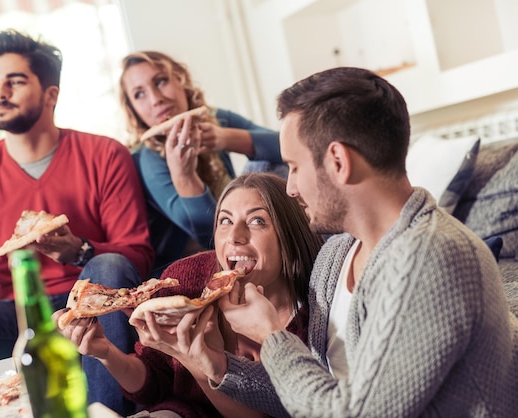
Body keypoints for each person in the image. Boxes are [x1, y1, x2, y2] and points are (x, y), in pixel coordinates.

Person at [192, 67, 518, 417]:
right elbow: (318, 396)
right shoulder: (335, 254)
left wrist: (272, 337)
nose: (291, 188)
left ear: (338, 161)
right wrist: (218, 366)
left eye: (294, 167)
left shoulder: (432, 259)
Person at [0, 29, 154, 416]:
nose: (0, 92)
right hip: (15, 311)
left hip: (86, 301)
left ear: (51, 95)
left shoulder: (104, 154)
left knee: (108, 265)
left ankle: (102, 411)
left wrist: (80, 250)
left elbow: (136, 257)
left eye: (15, 80)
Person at [55, 172, 324, 418]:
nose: (235, 236)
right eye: (225, 221)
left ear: (289, 234)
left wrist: (191, 358)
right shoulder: (187, 278)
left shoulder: (315, 318)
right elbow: (153, 386)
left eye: (257, 221)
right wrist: (106, 353)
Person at [119, 51, 287, 277]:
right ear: (133, 110)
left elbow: (289, 145)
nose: (155, 98)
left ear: (180, 79)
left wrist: (226, 138)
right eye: (139, 94)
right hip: (185, 264)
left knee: (274, 165)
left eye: (161, 81)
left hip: (241, 236)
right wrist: (184, 176)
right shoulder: (147, 158)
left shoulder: (214, 118)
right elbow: (209, 235)